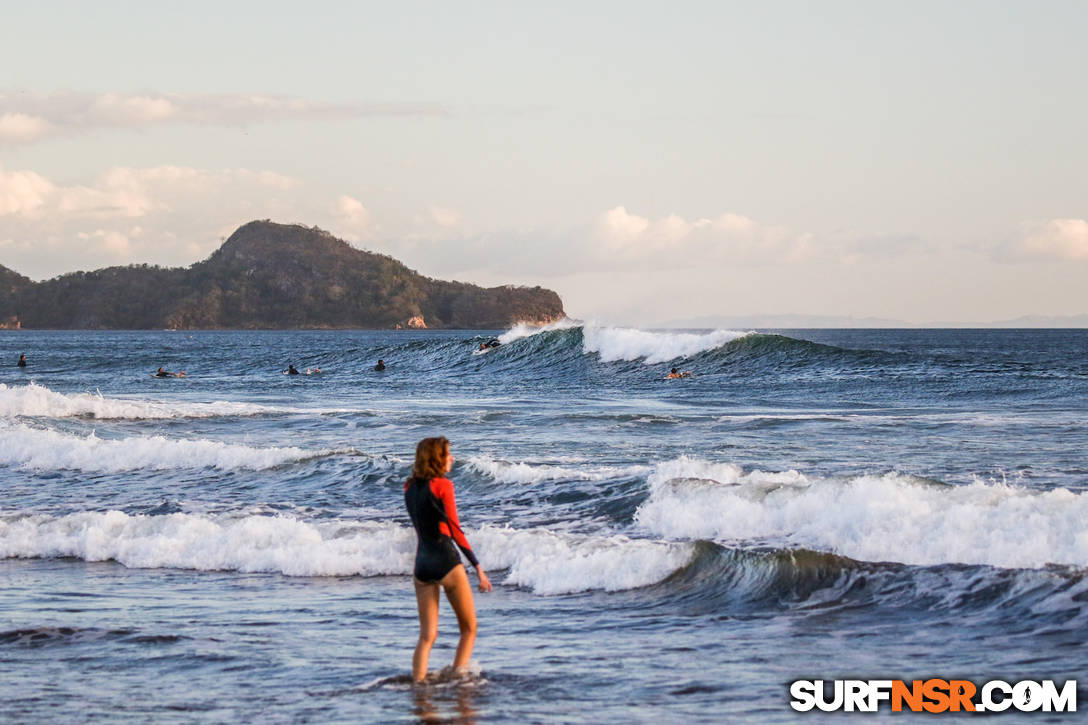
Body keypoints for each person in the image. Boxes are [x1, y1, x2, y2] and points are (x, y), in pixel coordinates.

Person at [404, 436, 491, 682]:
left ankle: (418, 685)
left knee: (427, 636)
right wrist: (478, 567)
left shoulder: (408, 487)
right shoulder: (443, 485)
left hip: (421, 565)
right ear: (436, 457)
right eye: (447, 454)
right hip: (445, 561)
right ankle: (458, 679)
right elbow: (455, 530)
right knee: (469, 628)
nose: (451, 458)